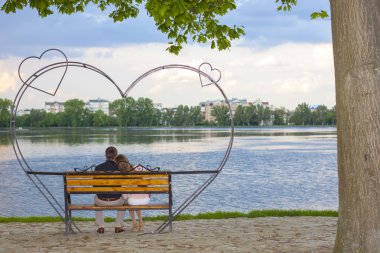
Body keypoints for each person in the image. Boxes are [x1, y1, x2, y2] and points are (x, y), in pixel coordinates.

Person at [115, 154, 151, 232]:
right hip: (146, 199)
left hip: (133, 201)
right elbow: (148, 178)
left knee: (128, 200)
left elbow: (125, 194)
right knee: (135, 198)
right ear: (127, 160)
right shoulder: (138, 167)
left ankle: (134, 223)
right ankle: (141, 222)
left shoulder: (124, 176)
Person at [94, 146, 125, 234]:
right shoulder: (120, 168)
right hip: (117, 201)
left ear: (105, 155)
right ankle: (118, 226)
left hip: (101, 201)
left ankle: (101, 226)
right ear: (116, 156)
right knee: (124, 201)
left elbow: (95, 186)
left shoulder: (98, 168)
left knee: (95, 199)